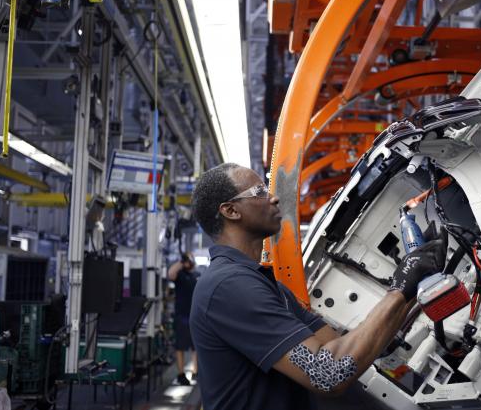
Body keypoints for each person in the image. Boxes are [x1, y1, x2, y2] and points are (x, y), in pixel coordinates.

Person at [189, 163, 445, 410]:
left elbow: (349, 349)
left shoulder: (265, 286)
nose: (274, 198)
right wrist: (401, 286)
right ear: (231, 211)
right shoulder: (229, 287)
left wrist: (415, 280)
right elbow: (328, 373)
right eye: (260, 192)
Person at [168, 252, 199, 385]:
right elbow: (170, 274)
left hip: (194, 316)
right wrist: (182, 262)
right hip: (181, 316)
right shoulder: (180, 275)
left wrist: (191, 261)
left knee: (196, 346)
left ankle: (195, 372)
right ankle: (181, 374)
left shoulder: (195, 276)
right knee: (180, 346)